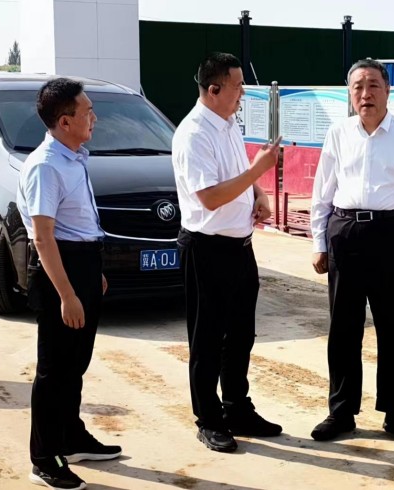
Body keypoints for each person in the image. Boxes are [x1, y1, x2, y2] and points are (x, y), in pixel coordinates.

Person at [309, 59, 394, 444]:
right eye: (358, 87)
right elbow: (322, 191)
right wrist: (318, 241)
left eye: (373, 85)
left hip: (391, 236)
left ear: (387, 91)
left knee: (392, 329)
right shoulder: (338, 134)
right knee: (343, 329)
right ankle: (341, 412)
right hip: (345, 233)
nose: (366, 94)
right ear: (350, 94)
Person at [172, 52, 282, 453]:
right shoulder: (194, 134)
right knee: (207, 340)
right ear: (214, 89)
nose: (242, 95)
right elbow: (210, 197)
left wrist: (258, 193)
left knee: (240, 335)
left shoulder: (228, 124)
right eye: (237, 87)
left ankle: (237, 407)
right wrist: (258, 171)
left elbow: (235, 175)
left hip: (240, 246)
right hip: (208, 249)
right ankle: (209, 418)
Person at [17, 78, 121, 490]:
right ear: (64, 121)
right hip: (59, 273)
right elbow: (44, 237)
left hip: (81, 265)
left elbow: (76, 224)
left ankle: (70, 437)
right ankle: (44, 458)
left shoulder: (73, 157)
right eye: (87, 112)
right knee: (54, 372)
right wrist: (67, 293)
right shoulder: (46, 166)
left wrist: (91, 273)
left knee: (74, 366)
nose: (95, 118)